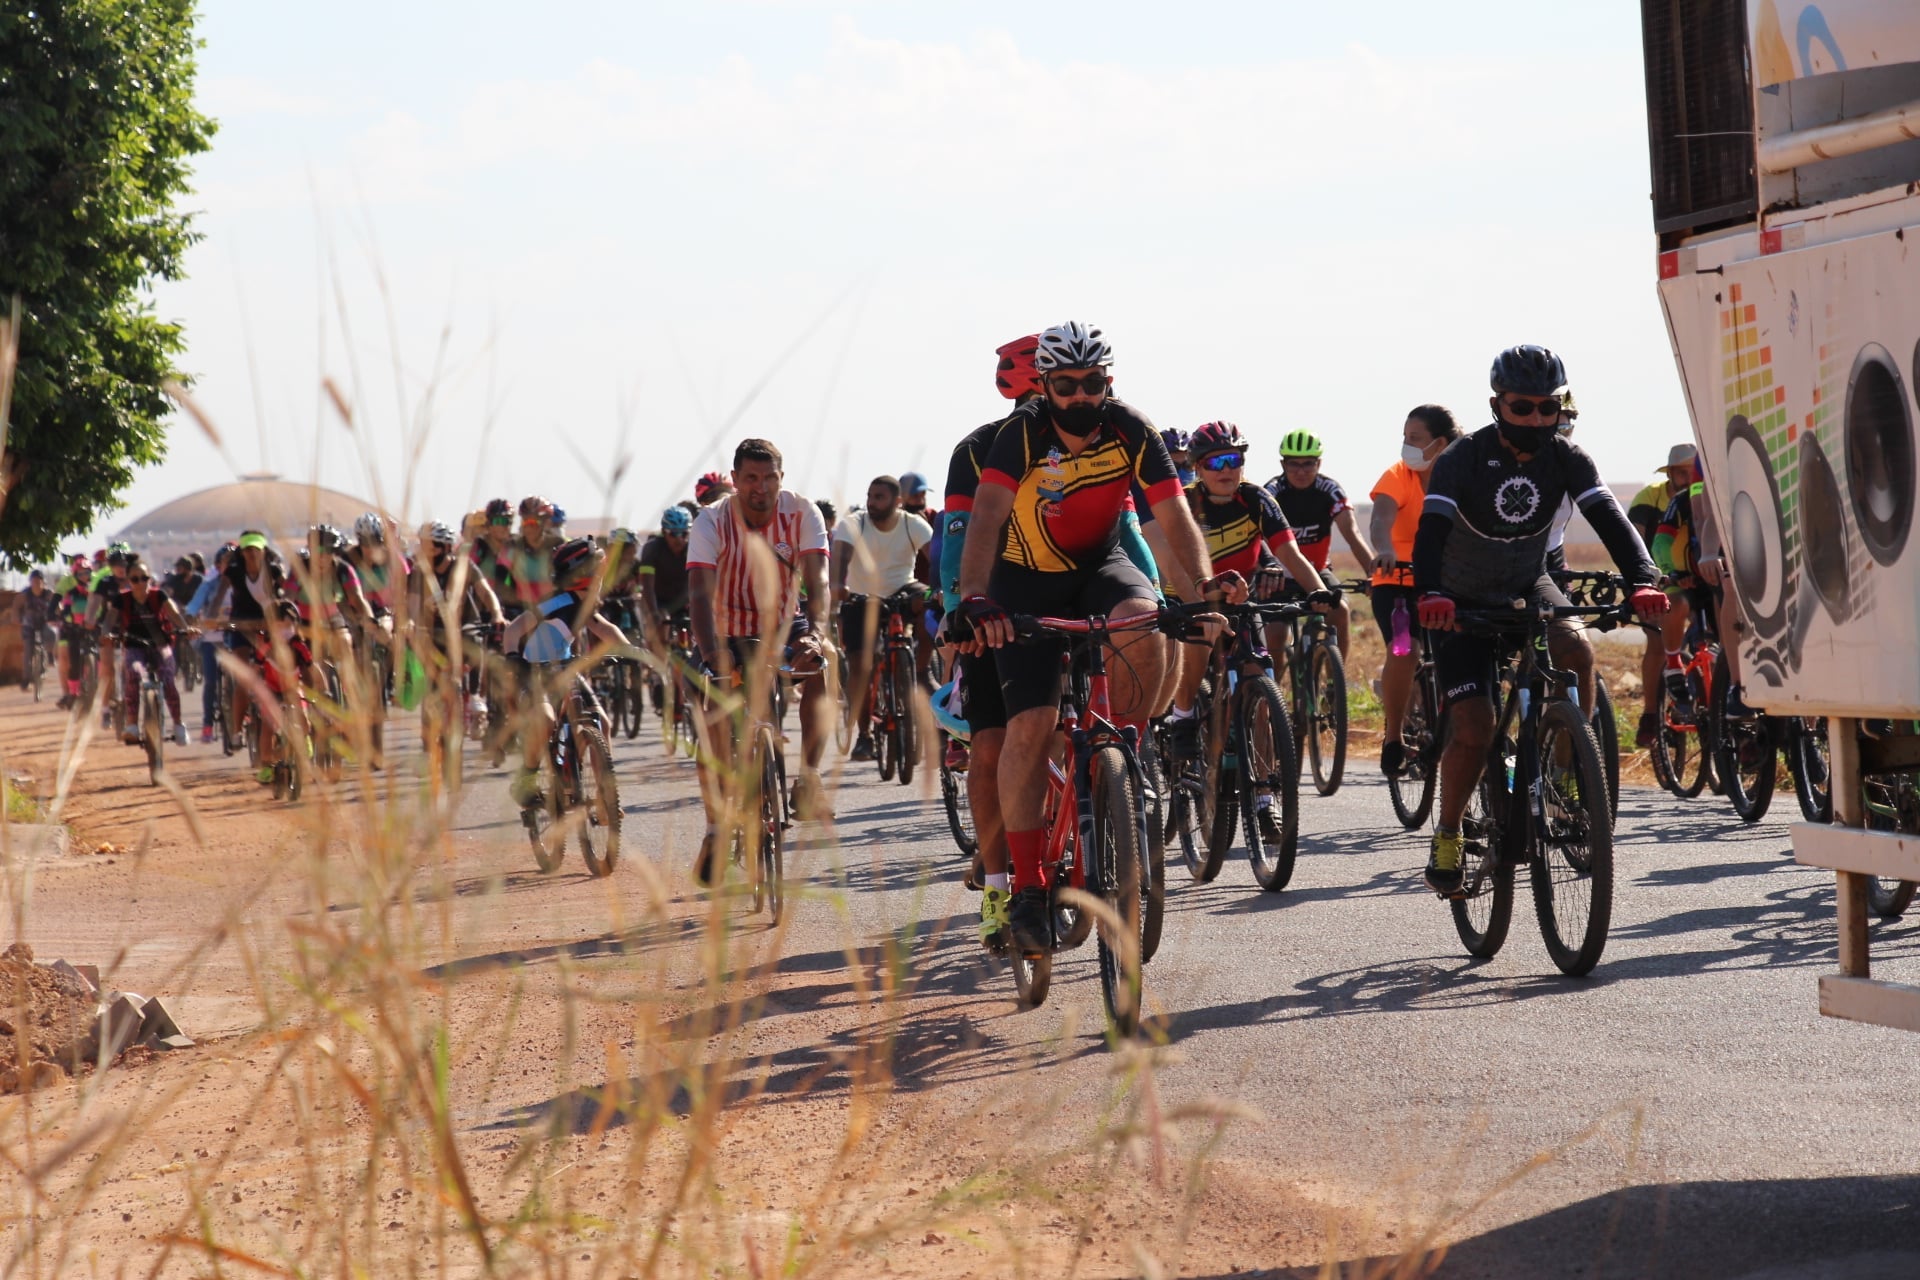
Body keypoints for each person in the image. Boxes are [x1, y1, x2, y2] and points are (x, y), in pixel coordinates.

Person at [953, 320, 1223, 955]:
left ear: (1109, 381)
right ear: (1045, 385)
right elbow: (985, 520)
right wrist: (974, 599)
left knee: (1147, 617)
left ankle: (1125, 757)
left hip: (1100, 568)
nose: (1080, 395)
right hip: (1025, 583)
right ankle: (1027, 889)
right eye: (1066, 384)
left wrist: (1203, 594)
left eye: (1092, 383)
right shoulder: (1021, 435)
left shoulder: (1132, 429)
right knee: (1029, 727)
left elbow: (1172, 514)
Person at [1413, 345, 1667, 896]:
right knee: (1475, 728)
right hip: (1459, 598)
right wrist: (1431, 592)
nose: (1535, 419)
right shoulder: (1462, 458)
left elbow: (1609, 517)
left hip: (1528, 583)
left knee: (1577, 651)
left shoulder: (1567, 457)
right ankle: (1449, 833)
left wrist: (1643, 578)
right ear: (1497, 405)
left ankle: (1567, 772)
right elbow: (1430, 531)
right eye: (1522, 407)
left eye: (1547, 408)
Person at [1163, 423, 1336, 835]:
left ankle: (1263, 799)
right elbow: (1169, 561)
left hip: (1240, 601)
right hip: (1187, 596)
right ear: (1198, 468)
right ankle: (1183, 716)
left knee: (1261, 690)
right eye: (1215, 463)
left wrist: (1318, 591)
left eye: (1234, 459)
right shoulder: (1184, 503)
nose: (1226, 469)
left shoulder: (1257, 499)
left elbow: (1289, 553)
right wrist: (1203, 597)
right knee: (1202, 636)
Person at [686, 438, 834, 880]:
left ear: (781, 479)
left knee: (823, 664)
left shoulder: (802, 512)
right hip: (725, 630)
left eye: (770, 478)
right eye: (751, 478)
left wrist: (817, 634)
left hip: (784, 624)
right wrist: (712, 654)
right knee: (712, 717)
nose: (761, 487)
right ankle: (716, 829)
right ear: (735, 480)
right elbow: (699, 594)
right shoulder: (712, 521)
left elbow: (819, 583)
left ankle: (808, 777)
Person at [939, 332, 1040, 947]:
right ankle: (999, 885)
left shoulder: (1094, 443)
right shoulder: (976, 450)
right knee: (990, 748)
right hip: (992, 611)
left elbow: (1128, 532)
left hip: (1064, 607)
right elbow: (955, 543)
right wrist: (960, 614)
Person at [500, 539, 628, 810]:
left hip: (566, 667)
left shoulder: (585, 603)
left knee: (602, 723)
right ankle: (527, 777)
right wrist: (512, 656)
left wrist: (631, 651)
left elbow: (603, 628)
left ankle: (604, 797)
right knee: (546, 719)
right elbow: (513, 629)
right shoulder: (555, 603)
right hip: (535, 671)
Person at [1368, 405, 1460, 773]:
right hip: (1398, 581)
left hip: (1446, 581)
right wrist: (1385, 549)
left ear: (1440, 444)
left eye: (1415, 438)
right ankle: (1394, 736)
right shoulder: (1398, 475)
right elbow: (1380, 519)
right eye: (1405, 437)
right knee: (1404, 650)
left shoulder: (1461, 475)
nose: (1406, 445)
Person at [831, 475, 934, 763]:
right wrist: (837, 583)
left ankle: (921, 669)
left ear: (897, 501)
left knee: (929, 603)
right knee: (860, 668)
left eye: (879, 497)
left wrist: (941, 588)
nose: (871, 502)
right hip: (860, 596)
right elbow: (840, 555)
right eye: (870, 496)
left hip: (902, 589)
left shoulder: (912, 524)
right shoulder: (854, 523)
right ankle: (864, 736)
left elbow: (935, 556)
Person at [1264, 431, 1374, 659]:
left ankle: (1336, 678)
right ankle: (1274, 682)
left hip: (1317, 570)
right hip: (1279, 574)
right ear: (1283, 464)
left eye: (1308, 463)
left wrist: (1374, 575)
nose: (1301, 471)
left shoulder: (1330, 490)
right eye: (1293, 464)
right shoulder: (1271, 491)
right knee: (1275, 633)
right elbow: (1256, 537)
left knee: (1340, 611)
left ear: (1319, 463)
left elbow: (1352, 534)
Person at [1629, 444, 1700, 746]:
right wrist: (1649, 577)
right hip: (1652, 578)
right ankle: (1649, 715)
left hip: (1692, 576)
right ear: (1669, 473)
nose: (1688, 478)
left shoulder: (1700, 495)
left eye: (1693, 472)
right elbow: (1633, 538)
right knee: (1657, 643)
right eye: (1681, 473)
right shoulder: (1650, 497)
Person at [107, 559, 191, 745]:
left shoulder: (159, 595)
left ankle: (178, 725)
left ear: (150, 579)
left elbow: (174, 614)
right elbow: (110, 619)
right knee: (132, 675)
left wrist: (186, 629)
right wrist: (106, 634)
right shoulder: (122, 599)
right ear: (129, 581)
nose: (140, 583)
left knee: (168, 680)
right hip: (133, 644)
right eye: (135, 579)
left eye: (144, 578)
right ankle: (132, 725)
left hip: (161, 644)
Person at [184, 544, 235, 741]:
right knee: (211, 682)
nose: (230, 567)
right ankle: (207, 724)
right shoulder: (209, 584)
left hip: (235, 638)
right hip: (211, 640)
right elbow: (193, 606)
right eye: (226, 563)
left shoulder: (244, 584)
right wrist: (190, 620)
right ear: (218, 566)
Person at [53, 553, 93, 709]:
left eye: (86, 572)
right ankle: (68, 693)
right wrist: (56, 615)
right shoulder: (67, 585)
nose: (84, 576)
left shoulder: (96, 584)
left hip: (91, 626)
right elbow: (59, 602)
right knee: (66, 658)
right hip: (70, 626)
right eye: (80, 573)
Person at [18, 569, 56, 693]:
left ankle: (50, 655)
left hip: (44, 623)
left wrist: (58, 615)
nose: (36, 583)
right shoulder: (25, 594)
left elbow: (57, 606)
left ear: (43, 582)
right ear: (30, 582)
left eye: (39, 581)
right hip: (29, 624)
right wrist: (17, 619)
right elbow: (16, 607)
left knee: (51, 633)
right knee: (28, 651)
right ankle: (26, 680)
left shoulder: (48, 593)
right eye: (34, 581)